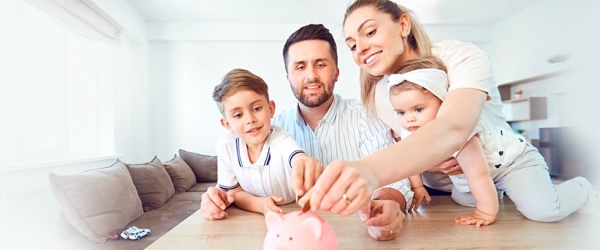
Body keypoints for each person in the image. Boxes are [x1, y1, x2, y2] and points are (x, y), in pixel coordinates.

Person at [299, 0, 597, 222]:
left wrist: (370, 170)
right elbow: (401, 148)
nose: (360, 48)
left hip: (502, 165)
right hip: (454, 192)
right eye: (351, 45)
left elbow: (454, 128)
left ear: (403, 25)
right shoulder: (377, 94)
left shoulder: (461, 57)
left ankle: (583, 188)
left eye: (370, 32)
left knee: (541, 212)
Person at [272, 23, 426, 240]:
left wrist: (387, 203)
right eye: (300, 67)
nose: (311, 75)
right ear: (288, 77)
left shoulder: (367, 116)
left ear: (336, 72)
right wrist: (220, 195)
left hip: (357, 237)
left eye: (320, 64)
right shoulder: (272, 129)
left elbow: (393, 178)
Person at [388, 55, 502, 226]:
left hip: (513, 161)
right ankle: (497, 192)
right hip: (484, 176)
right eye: (401, 113)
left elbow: (479, 174)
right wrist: (418, 187)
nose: (409, 119)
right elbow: (408, 161)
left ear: (443, 103)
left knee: (545, 212)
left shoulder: (458, 131)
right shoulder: (410, 132)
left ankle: (502, 191)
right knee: (463, 198)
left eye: (418, 109)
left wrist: (485, 212)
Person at [200, 68, 323, 220]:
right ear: (227, 124)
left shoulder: (280, 140)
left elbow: (297, 156)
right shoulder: (226, 147)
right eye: (238, 115)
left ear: (270, 109)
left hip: (291, 214)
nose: (250, 119)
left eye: (257, 108)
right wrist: (261, 205)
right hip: (252, 218)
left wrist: (304, 161)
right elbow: (234, 193)